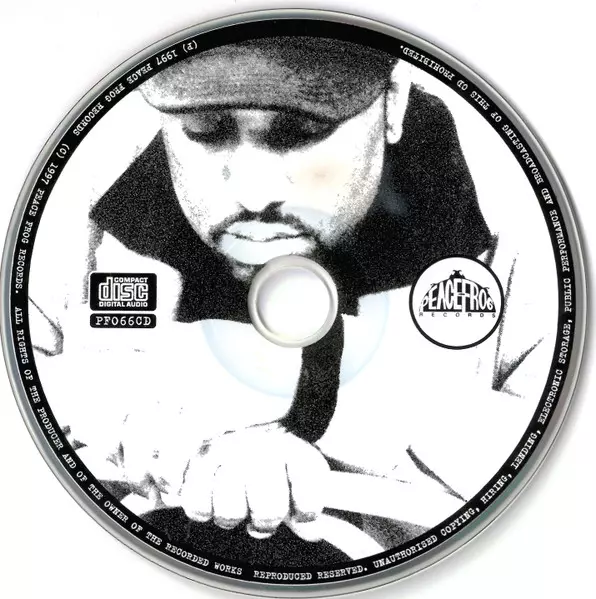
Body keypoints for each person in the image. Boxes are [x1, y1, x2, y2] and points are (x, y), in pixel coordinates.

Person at [29, 37, 556, 565]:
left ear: (393, 101)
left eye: (300, 133)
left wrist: (308, 412)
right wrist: (117, 409)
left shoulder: (529, 221)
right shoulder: (84, 191)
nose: (254, 193)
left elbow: (558, 478)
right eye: (205, 131)